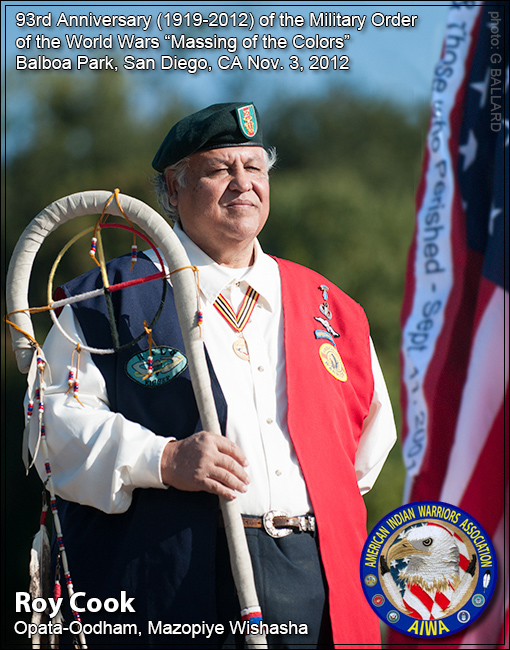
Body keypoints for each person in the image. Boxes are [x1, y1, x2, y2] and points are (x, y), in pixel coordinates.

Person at [28, 103, 396, 649]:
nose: (243, 184)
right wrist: (163, 459)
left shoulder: (334, 309)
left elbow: (366, 453)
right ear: (172, 192)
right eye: (220, 169)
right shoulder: (106, 300)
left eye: (255, 167)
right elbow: (49, 430)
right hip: (172, 577)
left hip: (317, 576)